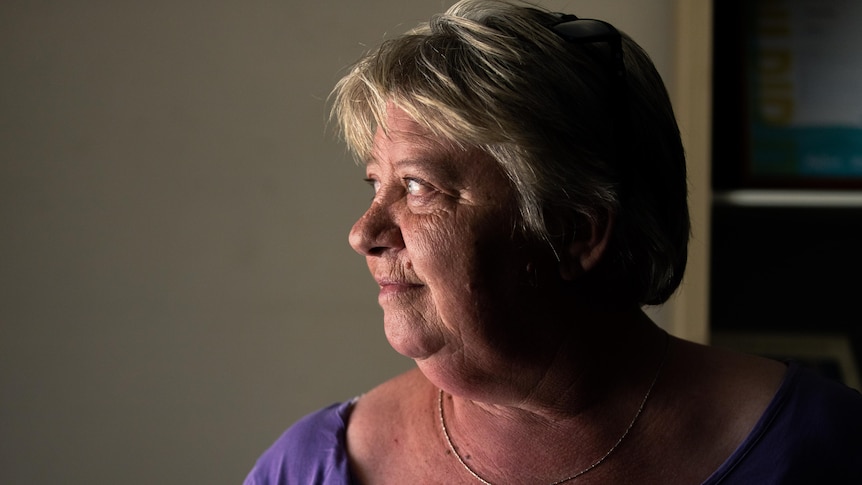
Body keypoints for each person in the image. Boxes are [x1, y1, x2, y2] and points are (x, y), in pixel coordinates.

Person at [244, 0, 862, 483]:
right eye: (376, 184)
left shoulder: (826, 449)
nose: (364, 232)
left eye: (418, 187)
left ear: (574, 231)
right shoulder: (311, 467)